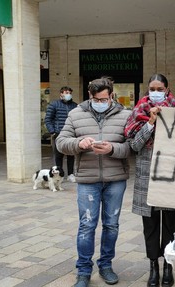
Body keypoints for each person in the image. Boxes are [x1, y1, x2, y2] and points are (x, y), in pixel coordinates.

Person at [56, 77, 132, 287]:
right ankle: (83, 270)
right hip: (87, 180)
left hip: (115, 179)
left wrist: (113, 149)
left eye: (105, 99)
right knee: (87, 225)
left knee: (111, 225)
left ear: (111, 96)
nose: (101, 102)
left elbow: (132, 146)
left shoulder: (125, 115)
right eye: (97, 99)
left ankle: (106, 265)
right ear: (90, 96)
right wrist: (79, 143)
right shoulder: (75, 114)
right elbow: (61, 143)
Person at [124, 74, 175, 287]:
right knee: (150, 226)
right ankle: (153, 266)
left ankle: (168, 265)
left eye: (160, 87)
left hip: (170, 177)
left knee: (170, 225)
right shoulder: (138, 112)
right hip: (147, 178)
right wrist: (151, 122)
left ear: (167, 90)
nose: (156, 91)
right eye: (152, 88)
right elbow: (134, 145)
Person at [45, 86, 78, 182]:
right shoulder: (54, 104)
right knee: (58, 155)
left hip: (71, 134)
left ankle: (71, 174)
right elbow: (48, 119)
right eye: (66, 92)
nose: (68, 94)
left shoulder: (74, 105)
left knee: (71, 155)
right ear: (61, 93)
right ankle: (59, 175)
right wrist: (52, 131)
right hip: (58, 134)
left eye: (69, 92)